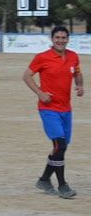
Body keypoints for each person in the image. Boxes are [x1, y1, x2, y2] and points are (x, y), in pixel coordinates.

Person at [22, 26, 84, 199]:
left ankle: (44, 180)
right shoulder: (42, 57)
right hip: (48, 109)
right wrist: (40, 93)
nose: (60, 40)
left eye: (63, 38)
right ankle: (63, 185)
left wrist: (80, 85)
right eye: (57, 37)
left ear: (68, 39)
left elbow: (77, 73)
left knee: (60, 148)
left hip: (66, 109)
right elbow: (26, 76)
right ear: (52, 38)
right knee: (60, 145)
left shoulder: (73, 56)